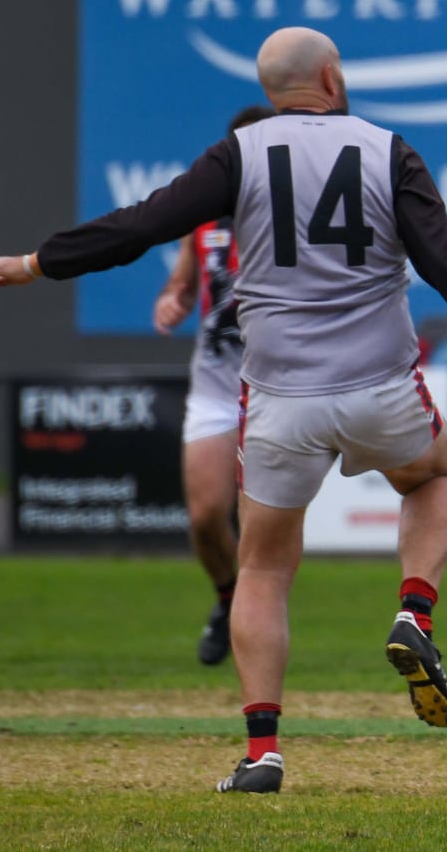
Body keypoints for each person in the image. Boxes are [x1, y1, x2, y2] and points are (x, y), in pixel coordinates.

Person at [0, 27, 447, 794]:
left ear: (273, 90)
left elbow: (144, 222)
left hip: (279, 400)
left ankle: (262, 752)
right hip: (381, 385)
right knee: (433, 481)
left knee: (264, 565)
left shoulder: (238, 155)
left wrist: (36, 261)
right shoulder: (387, 150)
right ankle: (415, 609)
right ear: (334, 80)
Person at [150, 104, 274, 666]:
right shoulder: (204, 222)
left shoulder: (295, 217)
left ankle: (257, 626)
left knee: (258, 525)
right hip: (216, 381)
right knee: (205, 516)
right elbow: (182, 282)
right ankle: (228, 600)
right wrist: (173, 299)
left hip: (276, 387)